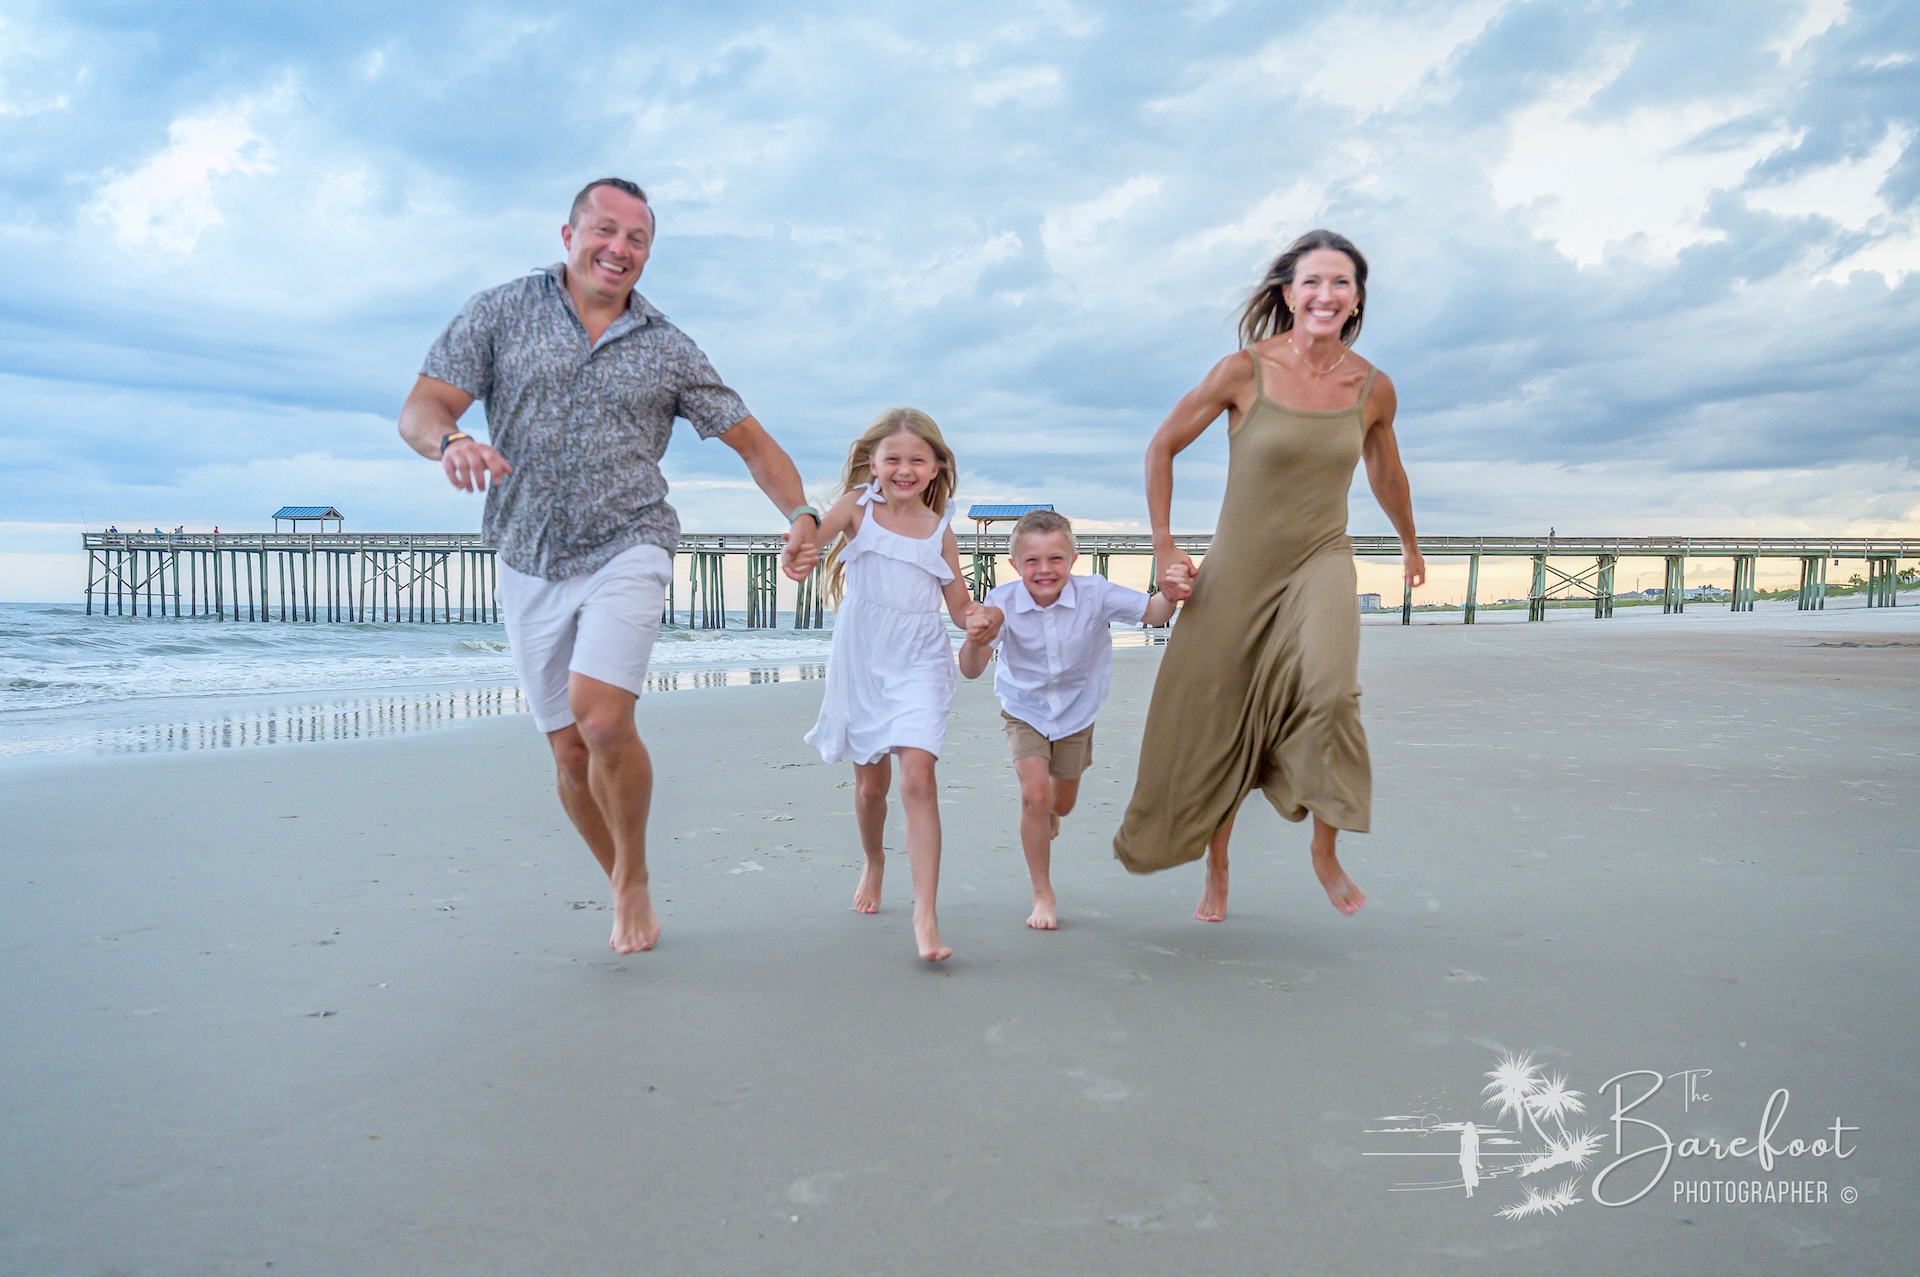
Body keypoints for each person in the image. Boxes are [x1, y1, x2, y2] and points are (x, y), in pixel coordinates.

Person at [397, 177, 821, 955]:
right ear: (569, 235)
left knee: (600, 717)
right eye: (605, 231)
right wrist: (453, 442)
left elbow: (754, 445)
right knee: (566, 749)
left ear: (648, 255)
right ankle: (624, 871)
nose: (619, 249)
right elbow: (422, 409)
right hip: (527, 553)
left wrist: (800, 515)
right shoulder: (500, 312)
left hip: (631, 540)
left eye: (637, 240)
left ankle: (631, 882)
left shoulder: (667, 348)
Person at [1112, 228, 1423, 922]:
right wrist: (1164, 548)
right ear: (1287, 293)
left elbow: (1387, 472)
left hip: (1322, 559)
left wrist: (1409, 542)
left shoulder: (1372, 387)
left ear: (1356, 299)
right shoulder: (1242, 372)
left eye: (1341, 282)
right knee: (1218, 717)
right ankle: (1217, 863)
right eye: (1313, 280)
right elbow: (1162, 446)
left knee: (1330, 690)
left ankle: (1325, 847)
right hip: (1237, 570)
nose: (1326, 294)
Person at [800, 409, 996, 962]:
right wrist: (801, 545)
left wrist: (979, 619)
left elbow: (959, 608)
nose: (904, 469)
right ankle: (875, 859)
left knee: (918, 776)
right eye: (893, 459)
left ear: (937, 468)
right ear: (873, 463)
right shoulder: (857, 509)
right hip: (863, 658)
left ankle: (925, 914)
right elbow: (815, 536)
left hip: (919, 659)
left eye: (917, 459)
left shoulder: (941, 532)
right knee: (871, 787)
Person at [958, 510, 1174, 929]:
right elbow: (971, 669)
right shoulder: (1001, 604)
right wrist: (972, 639)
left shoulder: (1095, 593)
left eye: (1055, 559)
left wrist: (1172, 590)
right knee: (1035, 796)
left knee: (1062, 803)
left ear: (1073, 560)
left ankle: (1053, 812)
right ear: (1014, 564)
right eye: (1032, 561)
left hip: (1077, 711)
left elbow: (1154, 613)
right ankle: (1042, 894)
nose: (1044, 570)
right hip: (1024, 709)